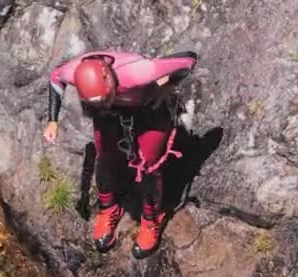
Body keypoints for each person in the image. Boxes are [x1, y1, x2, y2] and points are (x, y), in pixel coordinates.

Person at [44, 49, 198, 259]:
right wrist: (52, 120)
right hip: (109, 112)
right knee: (106, 156)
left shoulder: (138, 71)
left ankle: (151, 218)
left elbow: (188, 59)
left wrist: (166, 84)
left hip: (148, 108)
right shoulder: (74, 71)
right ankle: (108, 207)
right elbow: (55, 78)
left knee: (148, 165)